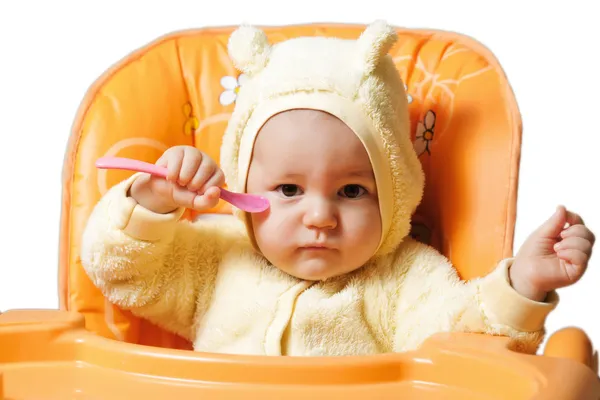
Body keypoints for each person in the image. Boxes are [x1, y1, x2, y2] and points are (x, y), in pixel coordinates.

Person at [80, 21, 595, 356]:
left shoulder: (405, 280)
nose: (319, 217)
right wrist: (153, 202)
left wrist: (522, 286)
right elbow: (122, 272)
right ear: (242, 185)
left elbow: (464, 346)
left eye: (351, 191)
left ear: (394, 194)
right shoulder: (215, 260)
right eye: (287, 189)